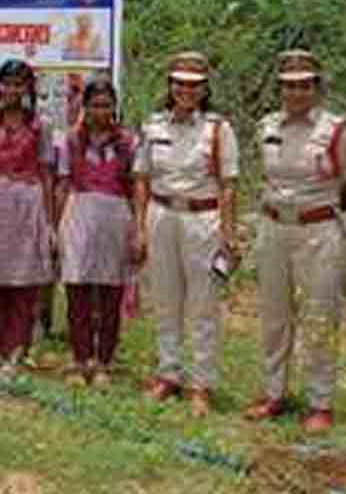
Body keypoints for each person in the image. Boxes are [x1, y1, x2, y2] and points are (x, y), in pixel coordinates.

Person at [244, 50, 346, 432]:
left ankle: (320, 401)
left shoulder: (337, 130)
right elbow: (264, 175)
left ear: (317, 87)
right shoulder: (266, 126)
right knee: (275, 315)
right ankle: (273, 392)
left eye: (304, 85)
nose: (296, 92)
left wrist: (320, 210)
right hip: (274, 228)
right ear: (279, 87)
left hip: (319, 231)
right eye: (289, 85)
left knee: (319, 315)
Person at [133, 51, 238, 417]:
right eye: (179, 83)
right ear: (170, 85)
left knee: (203, 305)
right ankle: (168, 372)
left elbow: (228, 185)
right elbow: (142, 179)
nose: (186, 91)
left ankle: (201, 382)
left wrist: (228, 233)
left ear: (204, 88)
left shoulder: (217, 129)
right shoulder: (153, 126)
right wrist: (139, 229)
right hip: (161, 215)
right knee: (165, 299)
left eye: (193, 85)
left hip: (202, 219)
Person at [55, 78, 138, 388]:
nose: (100, 111)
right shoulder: (71, 142)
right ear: (84, 108)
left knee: (110, 291)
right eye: (94, 105)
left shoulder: (128, 143)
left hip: (115, 216)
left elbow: (135, 187)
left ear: (114, 108)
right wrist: (56, 225)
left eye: (106, 105)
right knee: (77, 289)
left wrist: (138, 228)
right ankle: (79, 360)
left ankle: (103, 362)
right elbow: (62, 184)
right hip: (78, 213)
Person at [0, 60, 55, 378]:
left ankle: (18, 350)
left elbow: (48, 174)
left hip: (28, 202)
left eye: (19, 84)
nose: (13, 90)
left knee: (24, 279)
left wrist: (50, 221)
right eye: (7, 84)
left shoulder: (40, 126)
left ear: (28, 89)